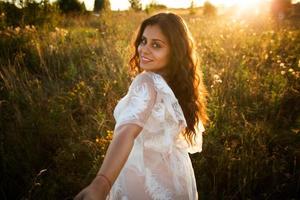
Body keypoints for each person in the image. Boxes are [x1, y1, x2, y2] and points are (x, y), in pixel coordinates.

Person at [74, 12, 209, 200]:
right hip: (177, 180)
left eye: (156, 45)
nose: (144, 49)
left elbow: (127, 132)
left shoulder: (147, 82)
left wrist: (101, 183)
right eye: (143, 41)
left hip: (146, 184)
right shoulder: (179, 85)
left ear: (175, 50)